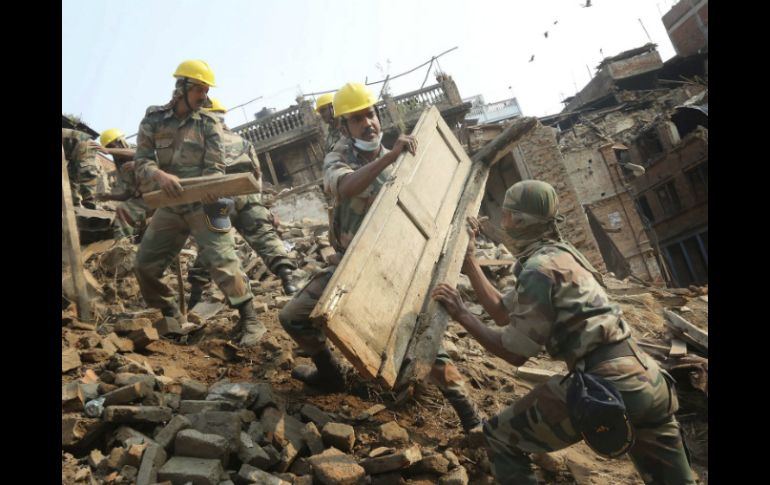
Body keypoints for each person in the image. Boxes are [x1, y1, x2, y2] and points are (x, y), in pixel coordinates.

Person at [431, 180, 696, 485]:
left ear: (519, 220)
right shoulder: (562, 256)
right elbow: (503, 312)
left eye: (505, 215)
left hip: (607, 384)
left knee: (499, 437)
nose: (502, 223)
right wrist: (470, 261)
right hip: (648, 378)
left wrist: (462, 314)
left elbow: (514, 353)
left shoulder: (537, 270)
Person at [278, 82, 482, 433]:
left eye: (370, 115)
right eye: (357, 119)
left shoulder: (408, 159)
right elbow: (345, 187)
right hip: (351, 267)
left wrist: (465, 228)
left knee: (424, 341)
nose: (368, 124)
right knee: (293, 316)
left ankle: (469, 414)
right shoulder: (339, 158)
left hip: (397, 268)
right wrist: (389, 158)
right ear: (344, 126)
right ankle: (330, 375)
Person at [133, 59, 265, 346]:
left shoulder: (209, 123)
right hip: (171, 204)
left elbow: (215, 167)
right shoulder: (153, 119)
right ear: (181, 87)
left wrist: (211, 188)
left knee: (224, 260)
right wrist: (159, 175)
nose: (204, 96)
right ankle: (170, 314)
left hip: (205, 201)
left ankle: (250, 319)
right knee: (144, 265)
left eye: (206, 90)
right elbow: (141, 161)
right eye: (199, 89)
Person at [186, 98, 298, 305]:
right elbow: (257, 175)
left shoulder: (199, 145)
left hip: (217, 197)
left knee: (213, 245)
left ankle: (195, 297)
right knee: (264, 236)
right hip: (247, 195)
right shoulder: (243, 142)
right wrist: (261, 206)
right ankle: (288, 281)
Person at [94, 128, 154, 241]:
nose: (112, 150)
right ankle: (123, 245)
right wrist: (109, 197)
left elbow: (137, 154)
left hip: (162, 192)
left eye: (112, 146)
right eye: (108, 147)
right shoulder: (121, 167)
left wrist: (108, 150)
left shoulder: (136, 149)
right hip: (144, 200)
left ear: (120, 141)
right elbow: (128, 194)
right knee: (122, 209)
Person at [62, 128, 100, 208]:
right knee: (70, 176)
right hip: (72, 150)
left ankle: (90, 201)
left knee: (85, 170)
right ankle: (73, 202)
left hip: (84, 143)